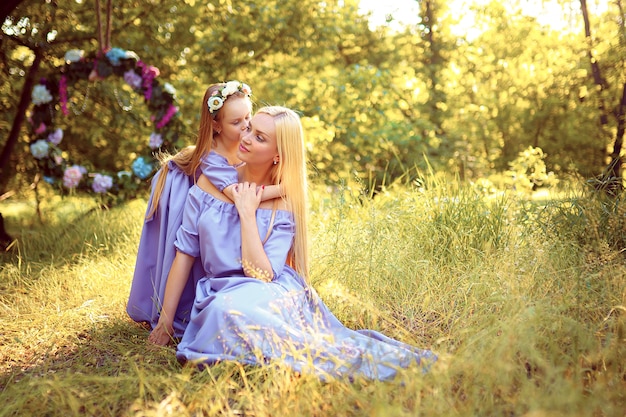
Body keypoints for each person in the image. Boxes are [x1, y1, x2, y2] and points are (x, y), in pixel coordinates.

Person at [150, 106, 437, 381]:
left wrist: (247, 212)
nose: (246, 138)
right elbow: (184, 255)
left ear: (278, 156)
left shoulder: (283, 204)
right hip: (219, 292)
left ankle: (369, 363)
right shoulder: (208, 186)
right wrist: (164, 324)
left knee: (233, 312)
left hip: (268, 290)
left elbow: (261, 274)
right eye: (249, 129)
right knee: (221, 309)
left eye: (259, 137)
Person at [127, 81, 282, 338]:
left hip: (227, 231)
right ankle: (174, 311)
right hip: (200, 211)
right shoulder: (213, 160)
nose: (246, 126)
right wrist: (286, 189)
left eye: (248, 117)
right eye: (236, 122)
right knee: (187, 255)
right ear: (216, 125)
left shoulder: (245, 149)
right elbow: (241, 196)